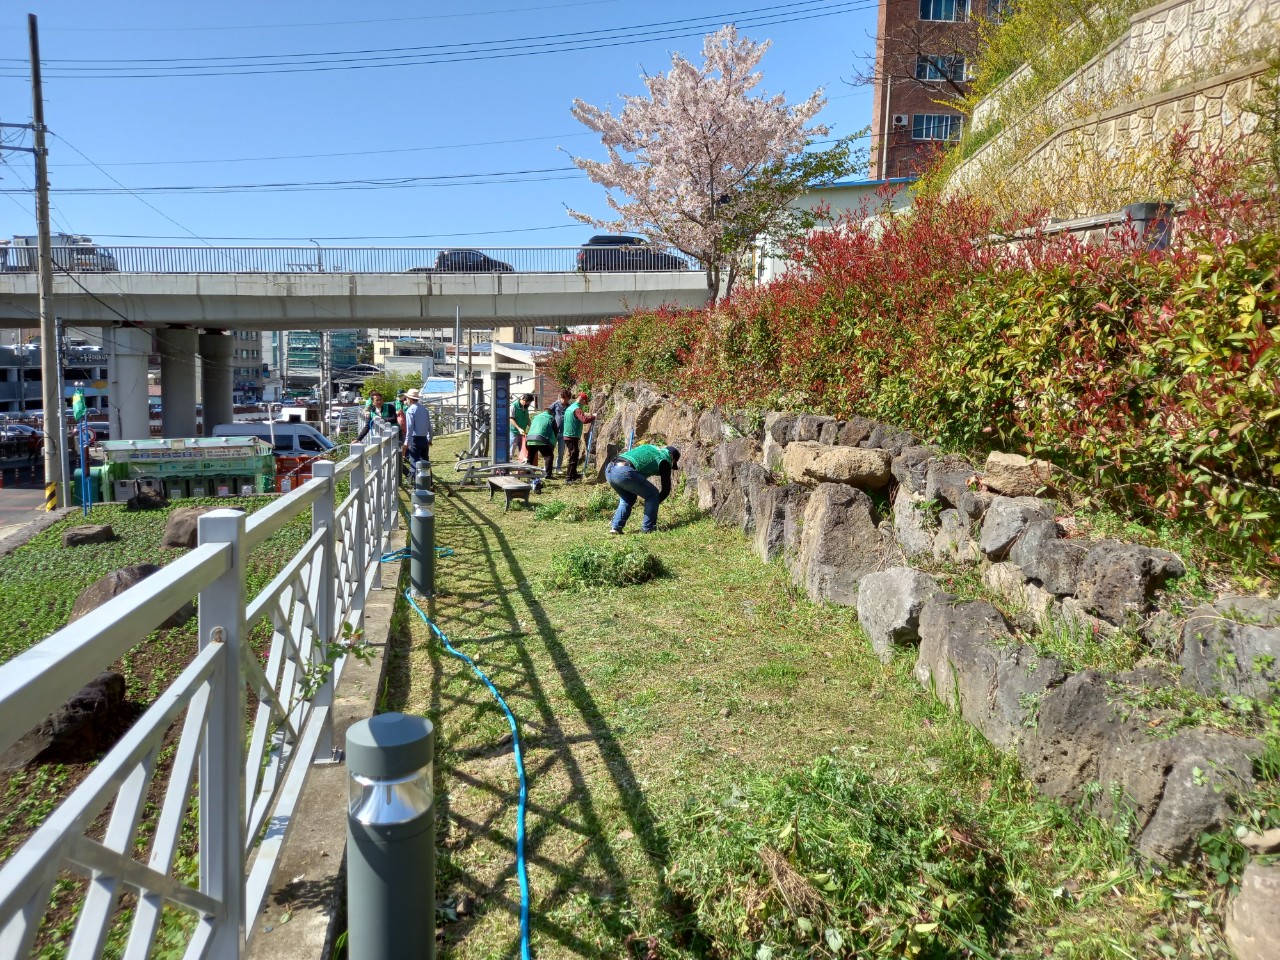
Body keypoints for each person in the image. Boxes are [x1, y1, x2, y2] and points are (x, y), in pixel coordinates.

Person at [605, 443, 681, 534]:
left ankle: (616, 527)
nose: (671, 466)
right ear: (672, 457)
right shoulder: (665, 459)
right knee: (653, 494)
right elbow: (666, 490)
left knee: (628, 498)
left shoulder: (650, 448)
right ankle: (648, 528)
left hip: (609, 470)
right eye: (673, 463)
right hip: (624, 472)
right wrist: (654, 503)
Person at [561, 392, 596, 483]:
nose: (584, 404)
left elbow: (579, 416)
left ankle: (574, 474)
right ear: (582, 400)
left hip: (568, 435)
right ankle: (568, 478)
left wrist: (586, 414)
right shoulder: (577, 409)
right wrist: (593, 417)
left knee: (575, 455)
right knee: (573, 457)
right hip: (572, 436)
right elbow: (584, 420)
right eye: (585, 402)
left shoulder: (570, 408)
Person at [402, 388, 433, 475]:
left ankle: (417, 485)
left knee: (414, 463)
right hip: (424, 438)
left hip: (414, 439)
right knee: (425, 462)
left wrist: (406, 442)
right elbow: (429, 426)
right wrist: (430, 438)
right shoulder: (424, 409)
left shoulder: (410, 410)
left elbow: (410, 427)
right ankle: (429, 484)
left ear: (410, 399)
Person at [524, 407, 559, 480]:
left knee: (530, 457)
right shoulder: (551, 418)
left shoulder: (536, 417)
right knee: (549, 456)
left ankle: (528, 473)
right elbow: (555, 431)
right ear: (551, 413)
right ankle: (548, 474)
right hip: (542, 439)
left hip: (530, 439)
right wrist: (553, 442)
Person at [549, 388, 571, 473]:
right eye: (563, 398)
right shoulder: (555, 404)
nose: (564, 400)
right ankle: (548, 467)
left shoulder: (569, 407)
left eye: (566, 399)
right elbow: (548, 412)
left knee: (561, 452)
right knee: (550, 451)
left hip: (563, 432)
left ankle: (558, 467)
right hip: (554, 432)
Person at [509, 393, 533, 463]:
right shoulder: (513, 406)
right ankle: (507, 467)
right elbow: (511, 419)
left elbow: (527, 418)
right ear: (524, 400)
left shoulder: (525, 407)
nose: (528, 404)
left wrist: (531, 426)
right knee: (511, 450)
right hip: (514, 432)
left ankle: (522, 467)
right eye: (528, 403)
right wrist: (518, 428)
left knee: (523, 450)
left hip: (523, 432)